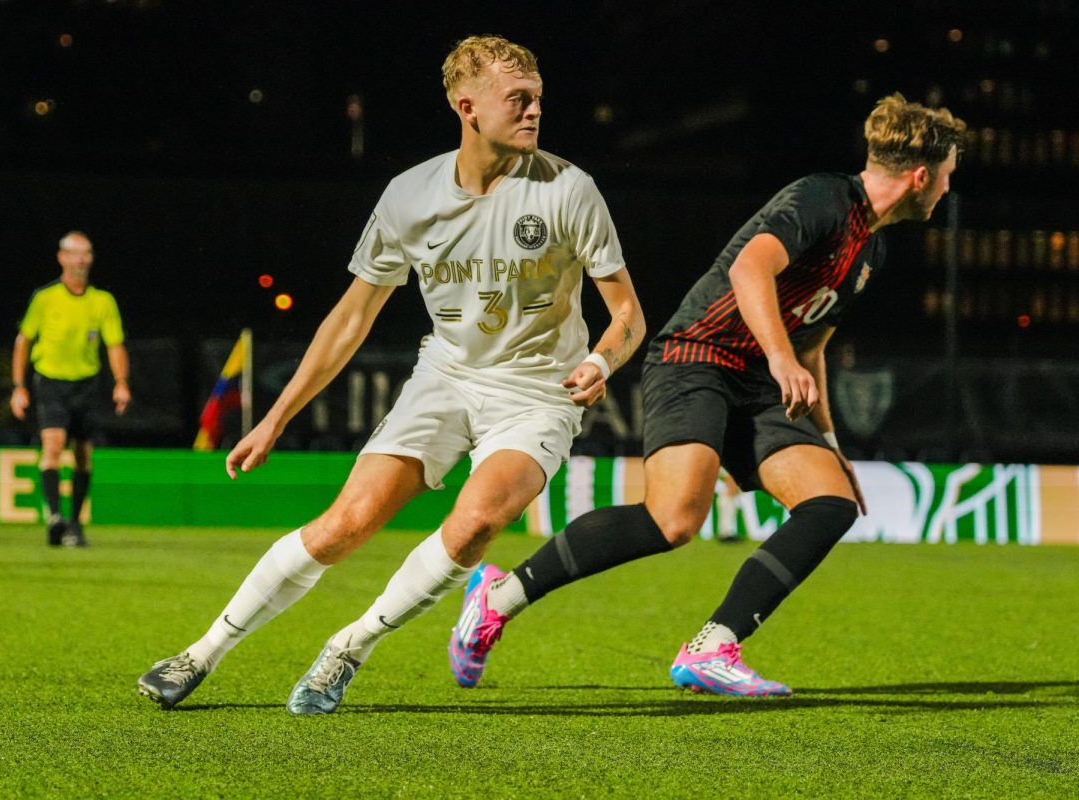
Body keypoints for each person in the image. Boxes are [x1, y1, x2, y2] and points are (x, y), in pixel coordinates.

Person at [137, 35, 645, 713]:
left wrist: (600, 358)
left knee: (474, 527)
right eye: (517, 100)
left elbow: (629, 315)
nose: (533, 113)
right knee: (341, 527)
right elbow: (349, 320)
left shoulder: (569, 189)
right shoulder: (410, 197)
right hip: (445, 378)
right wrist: (275, 417)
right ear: (467, 107)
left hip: (536, 395)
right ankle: (201, 653)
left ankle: (351, 645)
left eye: (538, 101)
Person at [449, 94, 966, 697]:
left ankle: (714, 646)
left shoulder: (871, 251)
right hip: (696, 355)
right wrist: (777, 357)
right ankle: (498, 597)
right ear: (922, 175)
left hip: (759, 382)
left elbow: (811, 350)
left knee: (831, 502)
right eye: (949, 175)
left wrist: (830, 444)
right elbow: (751, 270)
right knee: (673, 521)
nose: (948, 188)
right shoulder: (824, 197)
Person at [10, 231, 131, 547]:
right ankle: (54, 517)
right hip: (50, 381)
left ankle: (75, 524)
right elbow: (23, 341)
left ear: (91, 258)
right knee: (53, 445)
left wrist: (121, 383)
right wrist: (19, 387)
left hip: (87, 384)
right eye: (74, 253)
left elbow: (115, 345)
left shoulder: (102, 301)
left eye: (86, 253)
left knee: (82, 455)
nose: (80, 260)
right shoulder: (45, 298)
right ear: (61, 258)